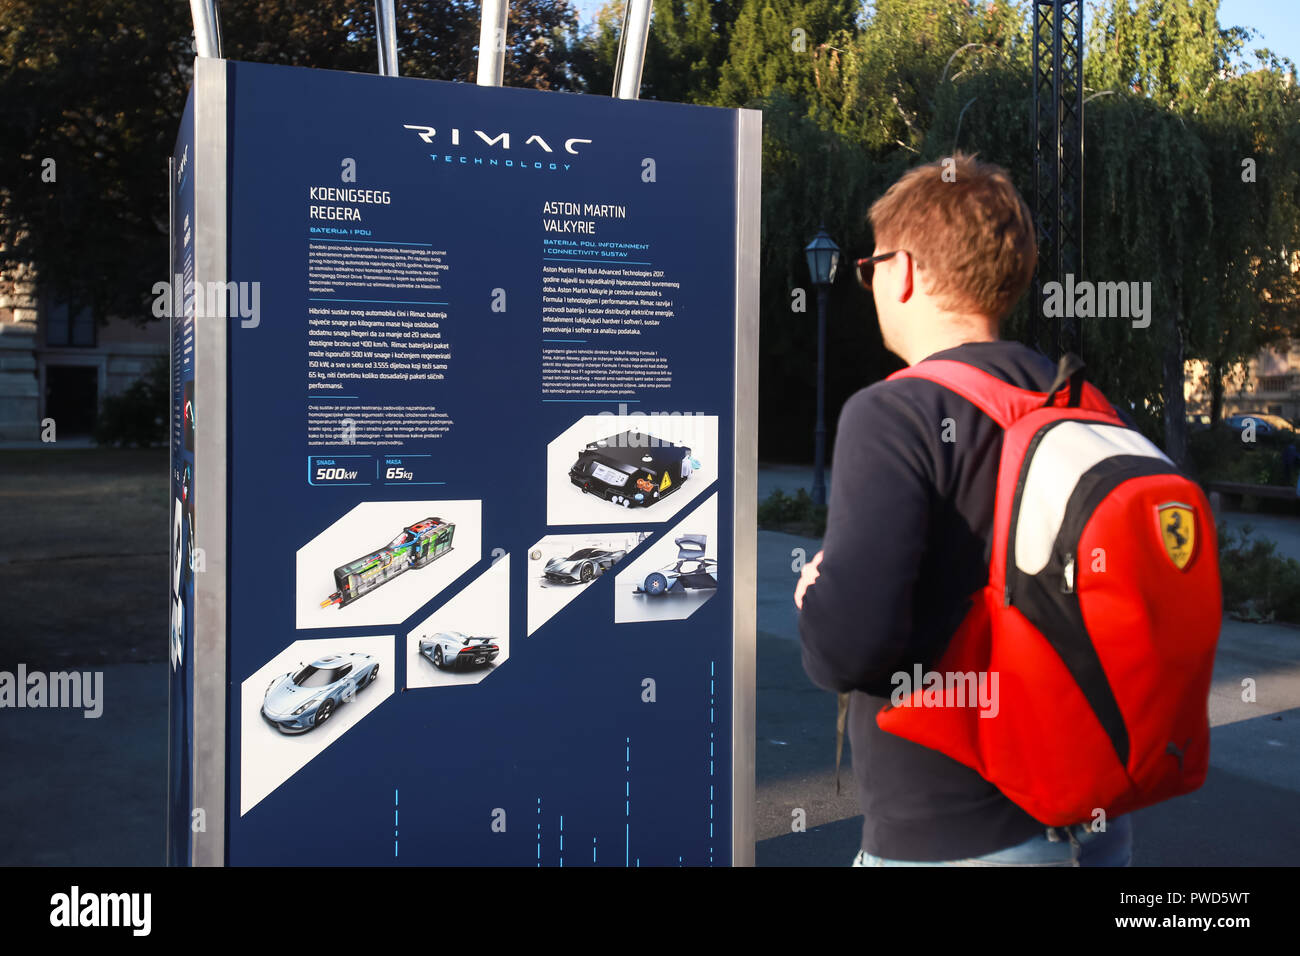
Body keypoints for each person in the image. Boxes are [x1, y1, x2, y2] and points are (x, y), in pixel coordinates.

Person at [794, 152, 1132, 866]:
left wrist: (816, 595)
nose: (871, 282)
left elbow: (850, 648)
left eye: (872, 266)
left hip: (955, 834)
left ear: (906, 270)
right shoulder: (1082, 402)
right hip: (1094, 816)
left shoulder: (893, 412)